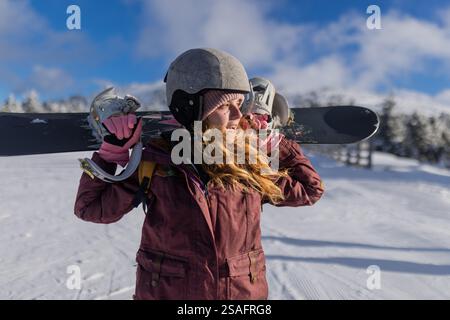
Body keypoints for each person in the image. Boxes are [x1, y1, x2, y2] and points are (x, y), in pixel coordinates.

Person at [74, 48, 324, 300]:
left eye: (240, 104)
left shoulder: (247, 162)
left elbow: (310, 189)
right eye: (227, 106)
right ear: (192, 107)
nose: (239, 116)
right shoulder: (157, 161)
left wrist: (275, 144)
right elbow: (91, 208)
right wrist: (109, 156)